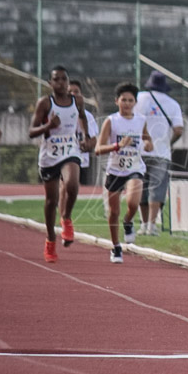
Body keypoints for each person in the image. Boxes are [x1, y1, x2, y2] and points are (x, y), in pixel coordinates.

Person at [28, 65, 89, 262]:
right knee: (51, 201)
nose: (61, 83)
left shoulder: (77, 100)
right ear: (50, 83)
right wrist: (48, 125)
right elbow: (31, 132)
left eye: (64, 79)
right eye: (57, 79)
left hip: (70, 150)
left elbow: (81, 116)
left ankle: (67, 218)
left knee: (72, 184)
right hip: (49, 156)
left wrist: (86, 136)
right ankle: (50, 239)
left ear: (68, 82)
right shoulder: (45, 103)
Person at [95, 83, 153, 263]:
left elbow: (146, 138)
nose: (127, 103)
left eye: (130, 100)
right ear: (116, 101)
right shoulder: (111, 121)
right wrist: (117, 145)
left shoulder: (141, 120)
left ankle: (128, 221)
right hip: (115, 171)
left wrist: (149, 144)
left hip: (135, 169)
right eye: (123, 100)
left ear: (135, 102)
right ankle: (116, 247)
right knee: (113, 212)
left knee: (133, 203)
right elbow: (98, 148)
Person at [134, 70, 183, 235]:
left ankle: (143, 223)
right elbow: (178, 130)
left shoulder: (138, 98)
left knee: (140, 188)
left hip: (139, 150)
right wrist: (168, 143)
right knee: (157, 188)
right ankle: (152, 226)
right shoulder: (173, 104)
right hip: (161, 152)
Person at [69, 80, 100, 186]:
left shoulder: (88, 116)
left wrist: (86, 144)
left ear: (81, 95)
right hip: (61, 160)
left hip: (81, 162)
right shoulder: (57, 113)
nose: (73, 94)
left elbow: (94, 140)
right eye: (70, 91)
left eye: (76, 92)